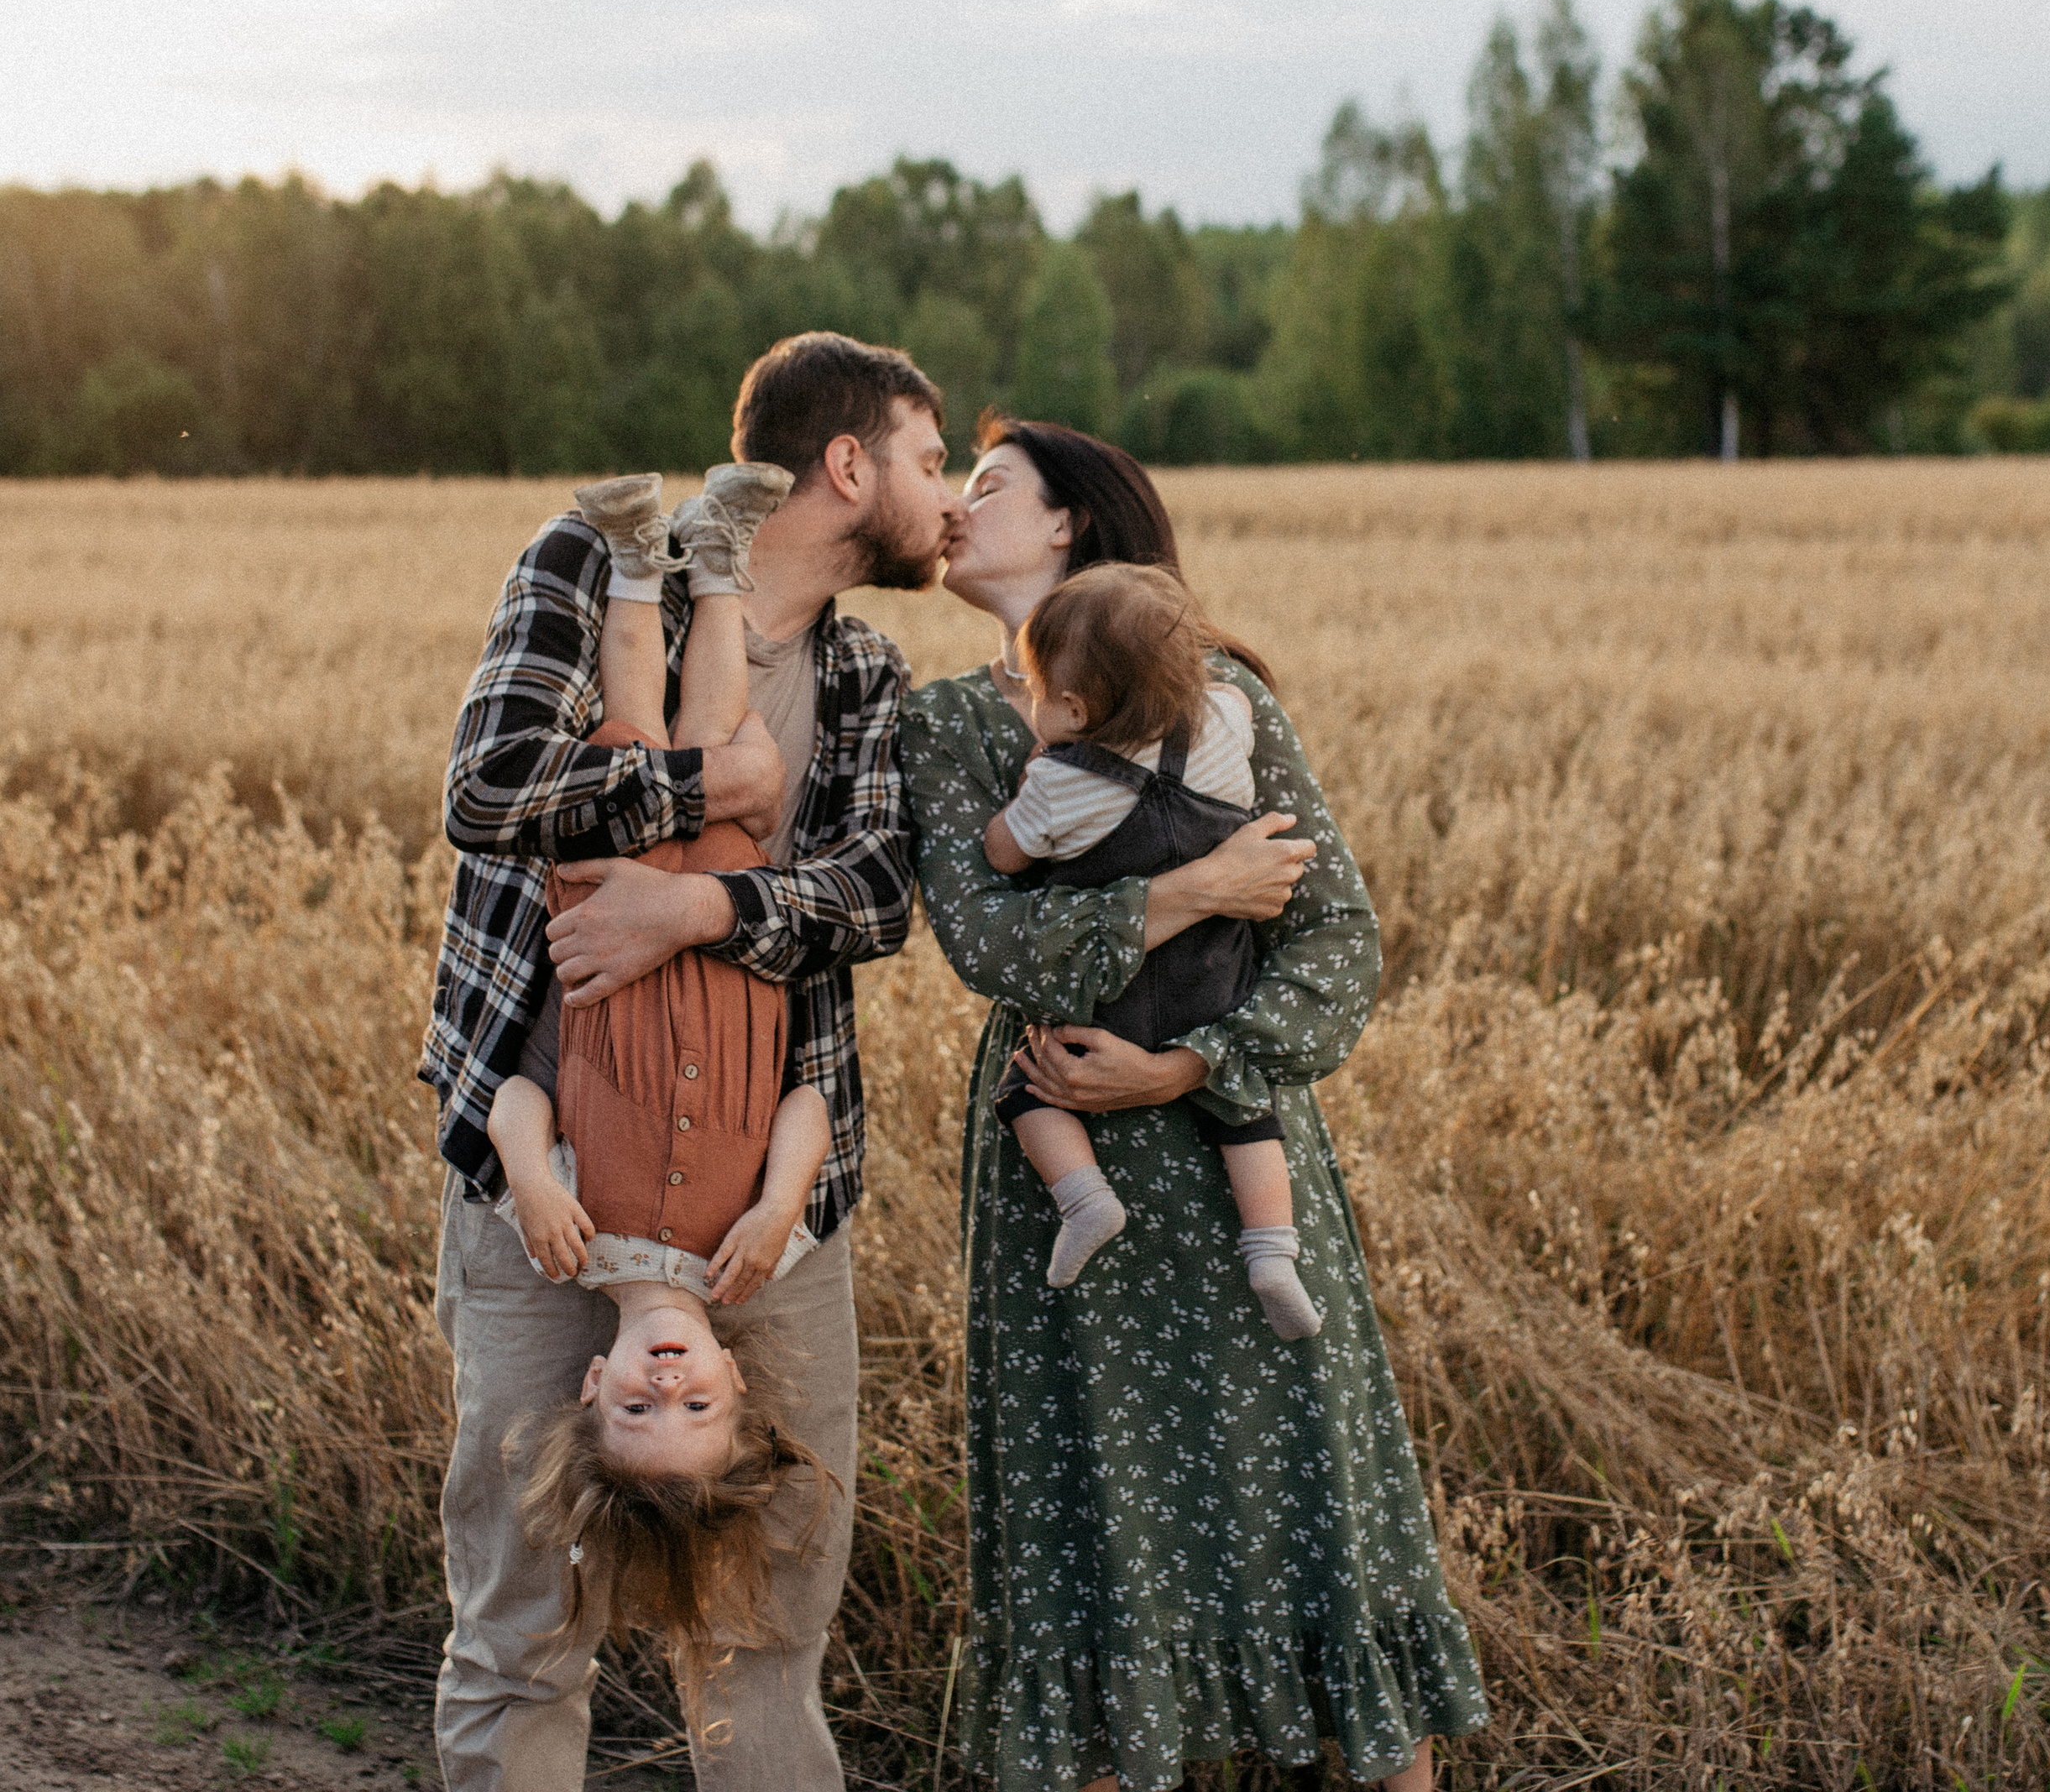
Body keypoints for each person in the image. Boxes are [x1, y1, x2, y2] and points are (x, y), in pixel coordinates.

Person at [902, 416, 1487, 1792]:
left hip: (1236, 1160)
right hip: (1064, 1184)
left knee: (1316, 1497)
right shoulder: (944, 724)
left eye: (988, 486)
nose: (955, 507)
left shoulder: (1221, 702)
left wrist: (1194, 1067)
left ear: (1068, 523)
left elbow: (1337, 938)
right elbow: (989, 944)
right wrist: (1194, 893)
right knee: (1089, 1525)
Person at [422, 332, 955, 1792]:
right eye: (929, 461)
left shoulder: (863, 668)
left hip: (775, 1210)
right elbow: (489, 786)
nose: (948, 497)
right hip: (542, 1186)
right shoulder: (591, 564)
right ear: (846, 466)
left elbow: (877, 897)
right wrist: (704, 786)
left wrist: (694, 908)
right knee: (523, 1620)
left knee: (768, 1623)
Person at [980, 560, 1320, 1339]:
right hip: (1217, 980)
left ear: (1072, 709)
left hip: (1114, 997)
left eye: (1037, 692)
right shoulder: (1224, 720)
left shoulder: (1058, 782)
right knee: (1246, 1108)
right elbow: (1231, 697)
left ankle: (1086, 1199)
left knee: (1028, 1087)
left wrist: (1031, 777)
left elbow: (1003, 852)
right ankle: (1273, 1253)